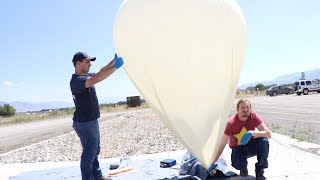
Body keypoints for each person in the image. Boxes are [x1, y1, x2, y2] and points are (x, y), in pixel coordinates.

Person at [70, 51, 123, 180]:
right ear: (78, 63)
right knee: (89, 153)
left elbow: (100, 71)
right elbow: (97, 78)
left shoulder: (85, 76)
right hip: (84, 123)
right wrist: (116, 67)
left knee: (95, 150)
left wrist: (113, 62)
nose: (90, 65)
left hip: (91, 121)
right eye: (87, 62)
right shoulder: (77, 81)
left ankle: (97, 176)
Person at [209, 99, 271, 180]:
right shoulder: (230, 123)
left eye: (247, 107)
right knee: (237, 164)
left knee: (264, 141)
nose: (245, 110)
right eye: (242, 107)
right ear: (237, 110)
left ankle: (260, 171)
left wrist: (252, 133)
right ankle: (243, 167)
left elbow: (268, 134)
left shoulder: (254, 117)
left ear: (250, 109)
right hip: (237, 148)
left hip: (250, 146)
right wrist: (213, 162)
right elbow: (222, 144)